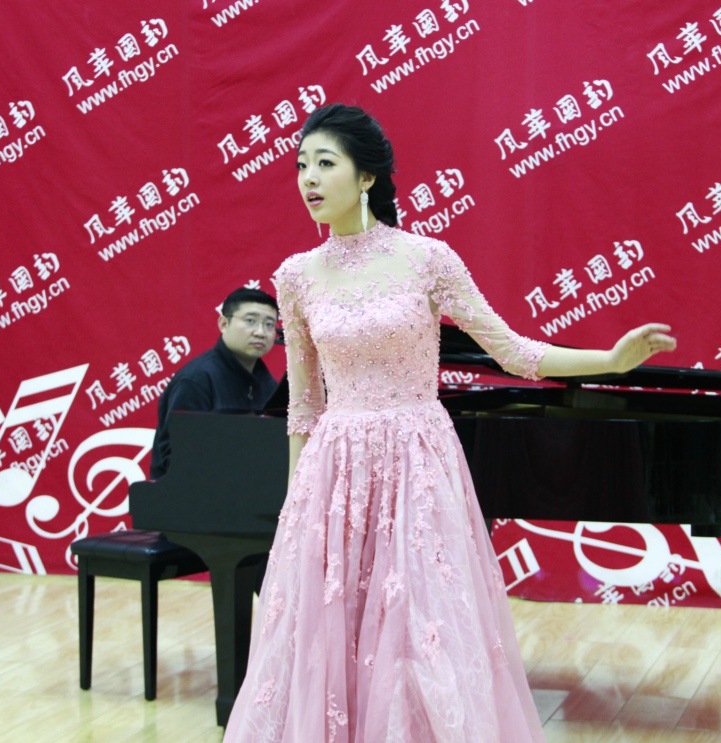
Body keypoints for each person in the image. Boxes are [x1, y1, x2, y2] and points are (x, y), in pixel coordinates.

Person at [222, 104, 676, 742]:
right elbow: (304, 406)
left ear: (367, 177)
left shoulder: (427, 259)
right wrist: (296, 508)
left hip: (416, 463)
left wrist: (608, 360)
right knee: (331, 629)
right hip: (334, 472)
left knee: (421, 627)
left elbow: (512, 351)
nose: (309, 179)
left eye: (325, 164)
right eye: (301, 166)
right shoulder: (296, 277)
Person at [149, 288, 279, 479]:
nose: (261, 332)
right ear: (224, 323)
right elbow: (178, 459)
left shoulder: (267, 383)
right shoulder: (196, 380)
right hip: (194, 491)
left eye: (269, 324)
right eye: (250, 321)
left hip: (247, 489)